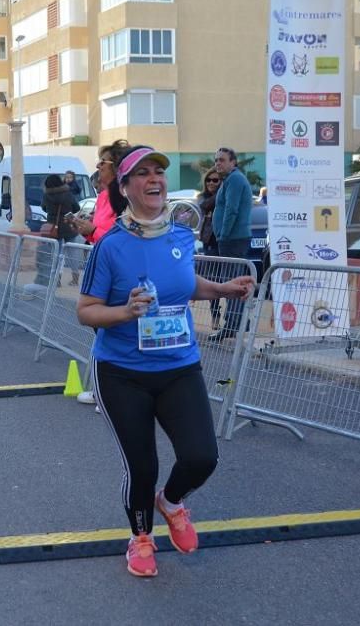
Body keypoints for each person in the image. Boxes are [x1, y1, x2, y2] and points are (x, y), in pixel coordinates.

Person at [76, 145, 253, 578]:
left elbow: (182, 283)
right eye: (143, 174)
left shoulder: (178, 235)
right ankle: (140, 538)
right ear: (125, 187)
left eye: (159, 172)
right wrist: (124, 313)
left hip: (178, 366)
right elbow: (86, 310)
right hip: (122, 372)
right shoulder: (110, 246)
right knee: (143, 466)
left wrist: (221, 290)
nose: (154, 179)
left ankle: (171, 504)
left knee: (202, 456)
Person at [69, 139, 129, 405]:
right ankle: (105, 392)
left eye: (102, 162)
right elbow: (104, 234)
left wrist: (93, 231)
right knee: (102, 331)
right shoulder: (104, 196)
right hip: (103, 269)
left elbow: (123, 234)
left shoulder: (123, 196)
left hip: (121, 273)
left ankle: (111, 395)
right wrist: (89, 230)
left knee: (113, 332)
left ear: (115, 168)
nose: (97, 167)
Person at [210, 147, 254, 342]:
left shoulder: (235, 180)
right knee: (235, 280)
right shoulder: (230, 180)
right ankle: (239, 322)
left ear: (233, 162)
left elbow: (231, 210)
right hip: (231, 239)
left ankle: (233, 324)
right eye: (216, 160)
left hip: (232, 240)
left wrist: (223, 234)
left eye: (222, 160)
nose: (217, 163)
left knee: (232, 283)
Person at [40, 174, 80, 285]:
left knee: (56, 254)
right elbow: (77, 208)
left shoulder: (46, 195)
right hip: (69, 226)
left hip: (53, 228)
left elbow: (44, 208)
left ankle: (57, 280)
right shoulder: (68, 193)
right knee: (73, 253)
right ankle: (75, 279)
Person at [197, 168, 223, 330]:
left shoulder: (224, 196)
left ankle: (233, 318)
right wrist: (221, 194)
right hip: (209, 243)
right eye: (209, 180)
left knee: (226, 279)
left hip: (224, 241)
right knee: (213, 280)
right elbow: (203, 206)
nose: (211, 183)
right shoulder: (204, 198)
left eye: (215, 180)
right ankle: (215, 314)